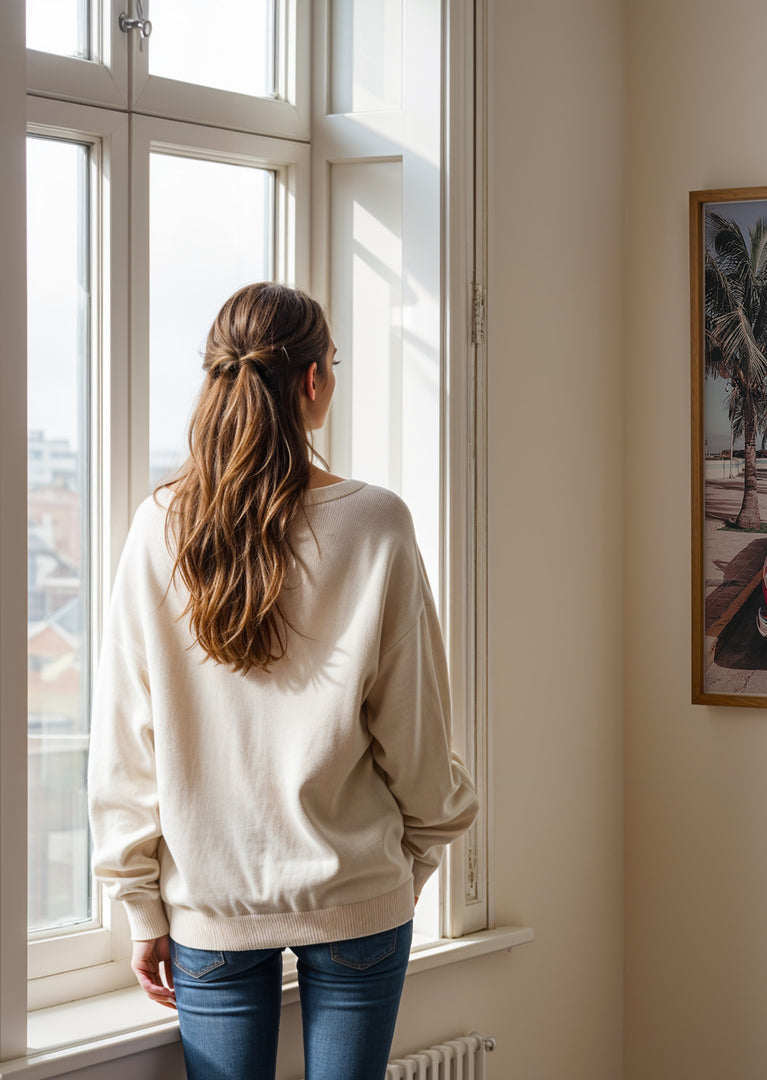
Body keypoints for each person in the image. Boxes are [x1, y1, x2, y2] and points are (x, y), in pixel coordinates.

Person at [88, 282, 479, 1080]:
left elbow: (126, 733)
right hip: (359, 891)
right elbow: (415, 725)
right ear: (311, 381)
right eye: (331, 364)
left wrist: (140, 905)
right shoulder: (375, 523)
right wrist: (421, 853)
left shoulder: (158, 525)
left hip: (209, 905)